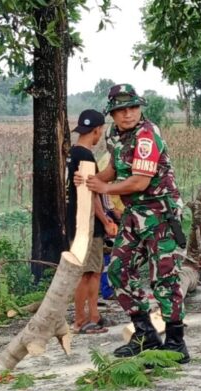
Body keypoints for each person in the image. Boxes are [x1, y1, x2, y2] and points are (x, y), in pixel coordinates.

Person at [76, 84, 189, 363]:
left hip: (160, 214)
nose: (128, 114)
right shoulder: (116, 135)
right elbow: (114, 167)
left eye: (133, 108)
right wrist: (94, 180)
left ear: (140, 109)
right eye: (121, 110)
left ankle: (176, 342)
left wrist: (104, 188)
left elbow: (140, 181)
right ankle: (145, 335)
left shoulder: (147, 136)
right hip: (134, 213)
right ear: (112, 114)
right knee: (117, 270)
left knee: (163, 278)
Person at [67, 109, 118, 334]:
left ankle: (91, 316)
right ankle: (83, 319)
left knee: (90, 271)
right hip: (86, 222)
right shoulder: (86, 156)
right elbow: (91, 194)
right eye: (100, 131)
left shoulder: (72, 154)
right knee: (90, 272)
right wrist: (105, 220)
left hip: (75, 220)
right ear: (97, 130)